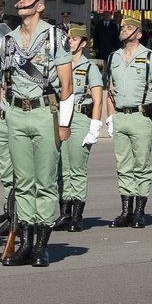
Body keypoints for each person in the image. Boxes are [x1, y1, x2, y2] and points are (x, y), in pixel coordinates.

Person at [0, 0, 73, 267]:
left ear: (41, 6)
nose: (22, 0)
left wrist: (64, 123)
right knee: (23, 182)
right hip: (16, 114)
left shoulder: (54, 36)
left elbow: (67, 84)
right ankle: (26, 243)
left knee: (45, 182)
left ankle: (42, 245)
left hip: (44, 113)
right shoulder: (9, 40)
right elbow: (5, 81)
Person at [105, 13, 152, 229]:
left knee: (141, 165)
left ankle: (139, 211)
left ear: (138, 34)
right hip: (120, 116)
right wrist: (110, 117)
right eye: (122, 28)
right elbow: (110, 90)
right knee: (123, 166)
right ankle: (126, 210)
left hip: (140, 116)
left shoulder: (150, 57)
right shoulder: (114, 57)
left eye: (128, 28)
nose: (123, 30)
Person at [55, 23, 104, 233]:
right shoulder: (58, 64)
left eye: (73, 39)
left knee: (76, 168)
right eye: (67, 39)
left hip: (80, 118)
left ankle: (77, 215)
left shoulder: (90, 68)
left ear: (83, 43)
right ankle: (64, 213)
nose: (69, 42)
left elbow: (98, 99)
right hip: (59, 118)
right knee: (61, 169)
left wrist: (95, 125)